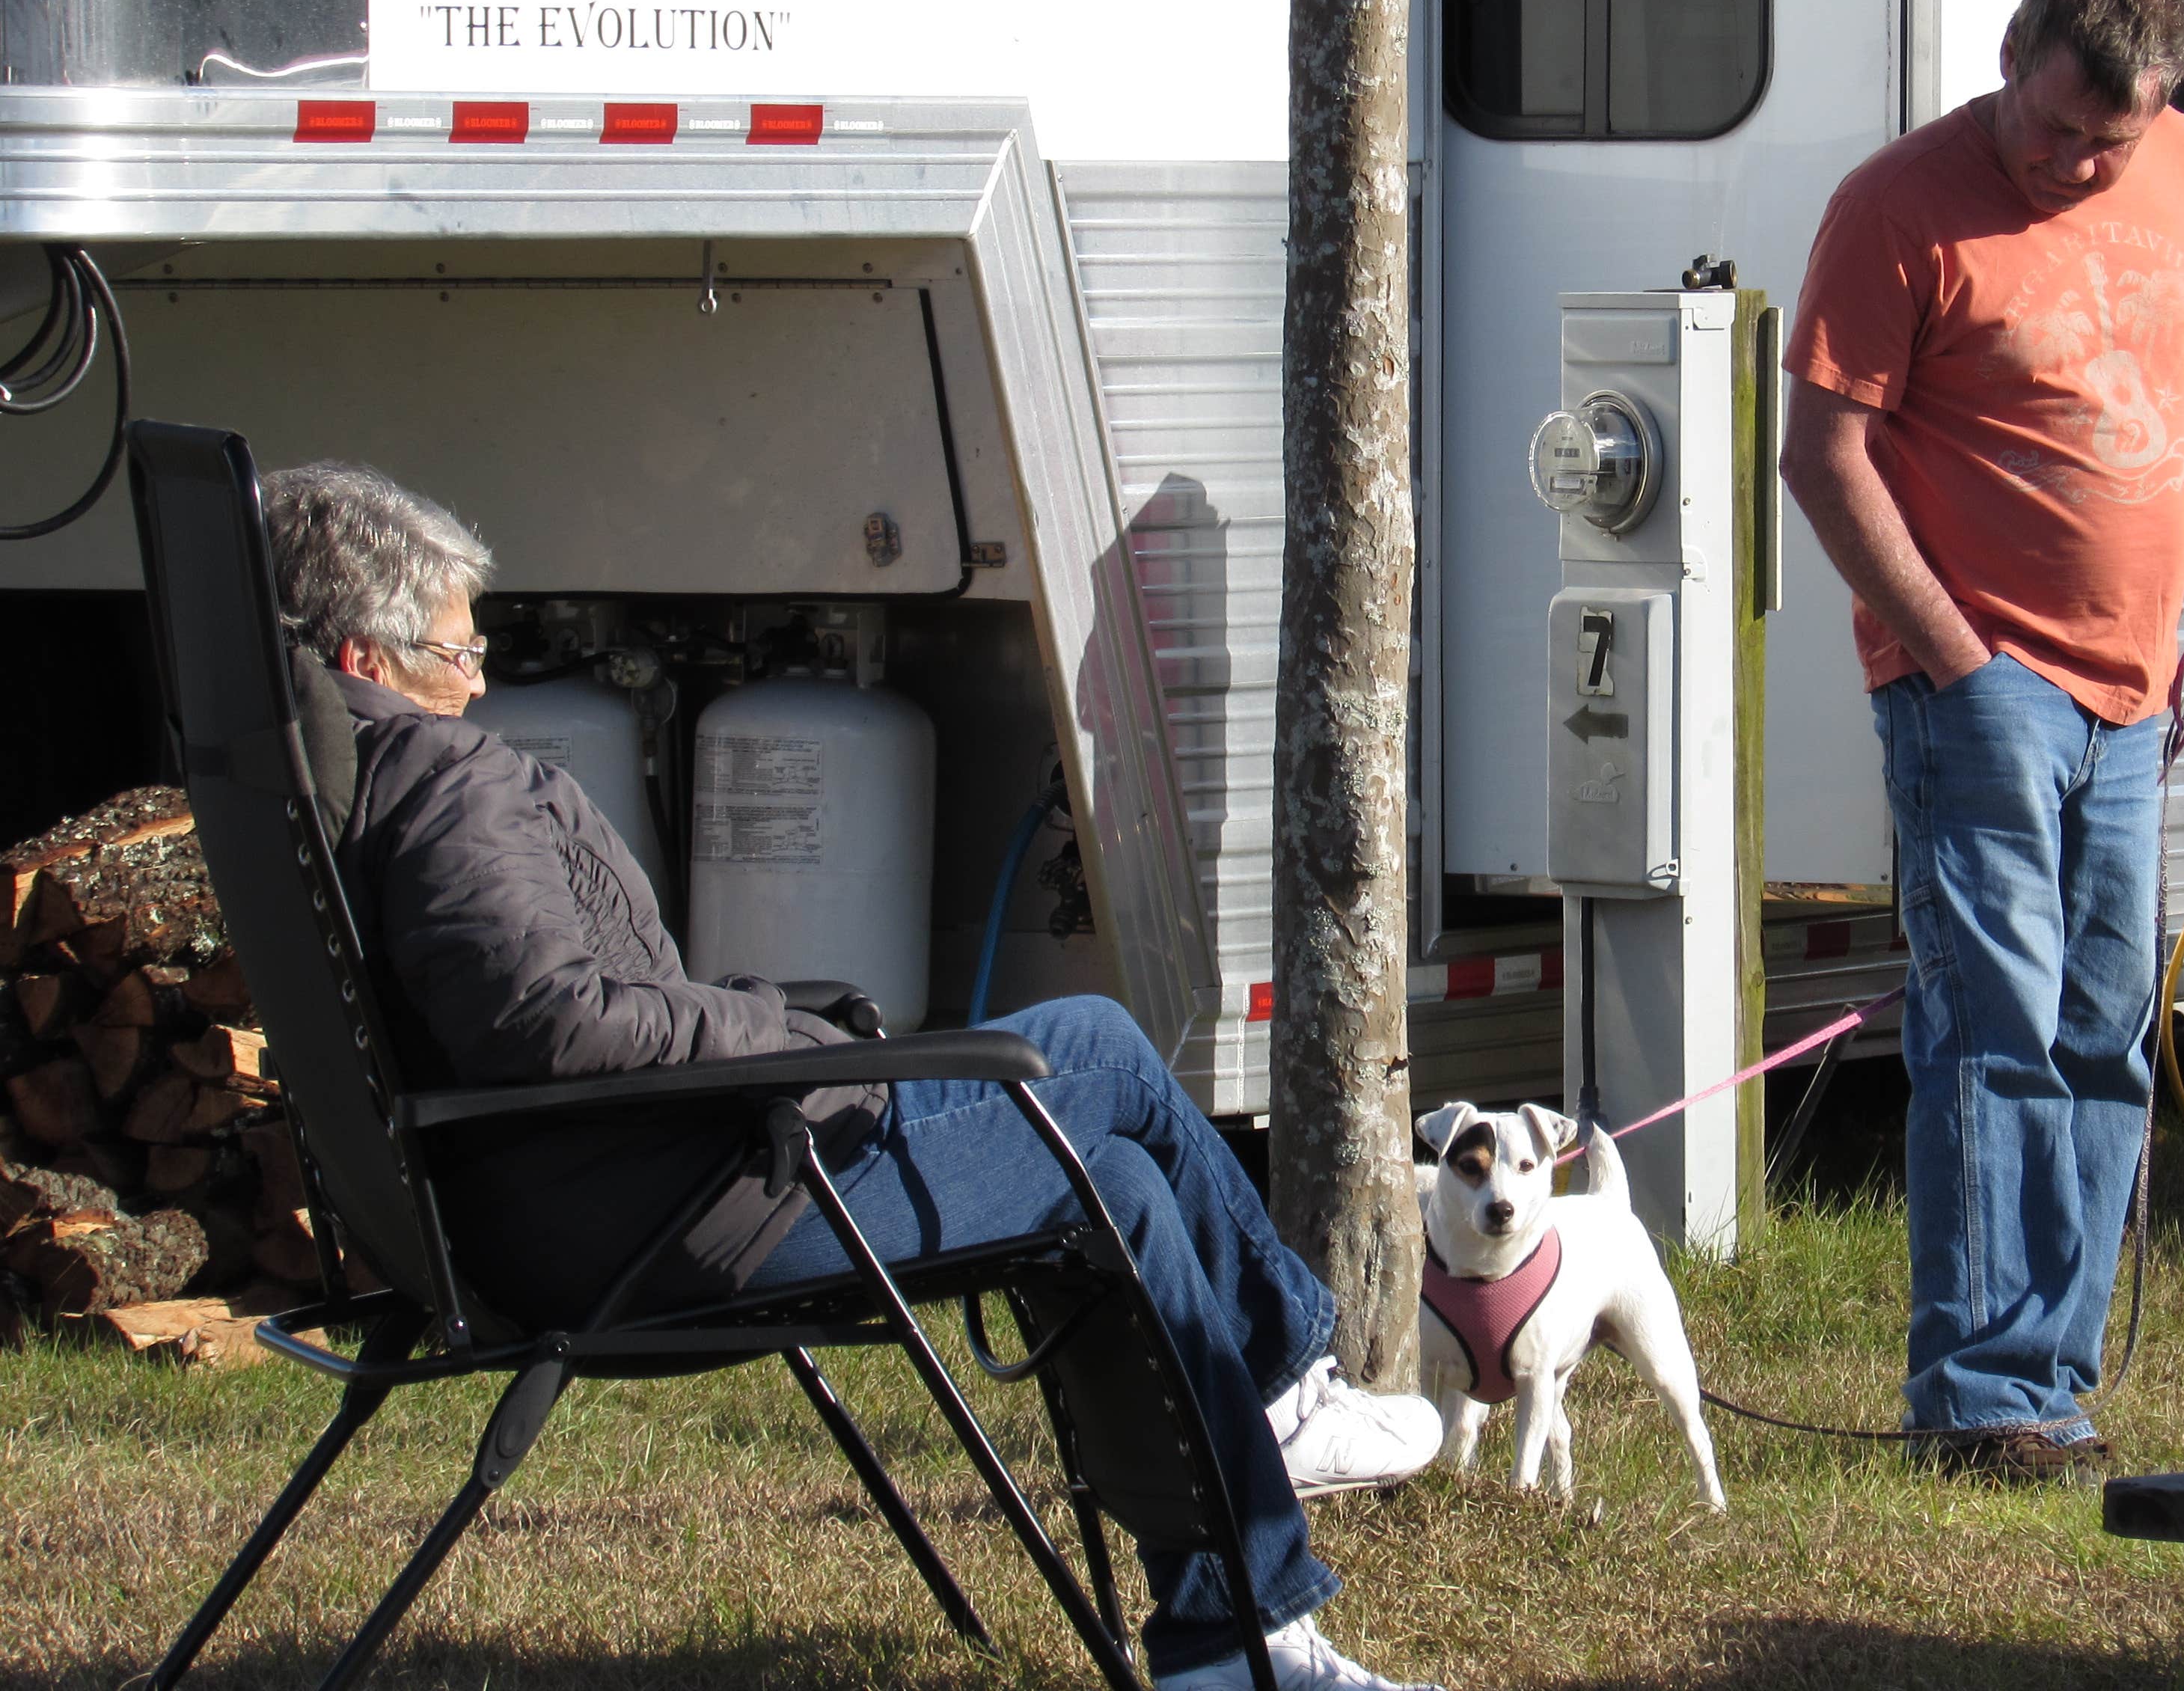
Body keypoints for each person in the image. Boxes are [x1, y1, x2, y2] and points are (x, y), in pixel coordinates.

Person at [260, 460, 1444, 1691]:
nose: (481, 682)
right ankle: (1285, 1386)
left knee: (1119, 1193)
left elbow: (550, 1024)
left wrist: (765, 1027)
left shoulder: (325, 795)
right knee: (1090, 1043)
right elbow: (553, 1023)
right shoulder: (447, 788)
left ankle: (1228, 1648)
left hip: (582, 1208)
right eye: (460, 656)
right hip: (679, 1222)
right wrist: (780, 1042)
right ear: (364, 658)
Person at [1778, 0, 2184, 1481]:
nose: (2075, 163)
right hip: (1979, 685)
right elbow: (1819, 453)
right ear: (2011, 60)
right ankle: (1979, 1400)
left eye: (2105, 143)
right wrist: (1942, 649)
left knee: (2099, 1031)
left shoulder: (2178, 164)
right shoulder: (1893, 208)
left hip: (2129, 686)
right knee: (1991, 1032)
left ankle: (2050, 1379)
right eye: (2055, 127)